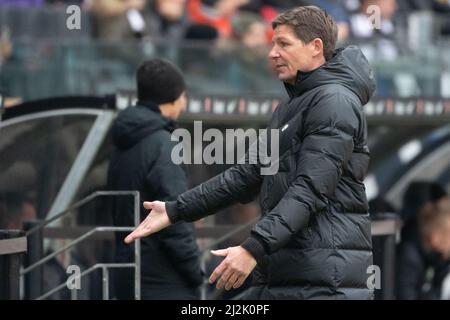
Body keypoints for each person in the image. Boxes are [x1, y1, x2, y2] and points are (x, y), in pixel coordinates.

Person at [125, 6, 376, 299]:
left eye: (283, 43)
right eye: (272, 43)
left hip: (325, 283)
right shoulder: (290, 106)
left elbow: (309, 189)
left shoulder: (334, 101)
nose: (272, 53)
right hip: (288, 276)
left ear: (315, 47)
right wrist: (176, 209)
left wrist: (253, 248)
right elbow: (246, 175)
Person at [107, 58, 204, 300]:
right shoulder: (164, 144)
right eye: (183, 96)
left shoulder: (123, 142)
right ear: (173, 98)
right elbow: (175, 216)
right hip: (165, 282)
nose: (184, 103)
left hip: (128, 272)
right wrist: (195, 272)